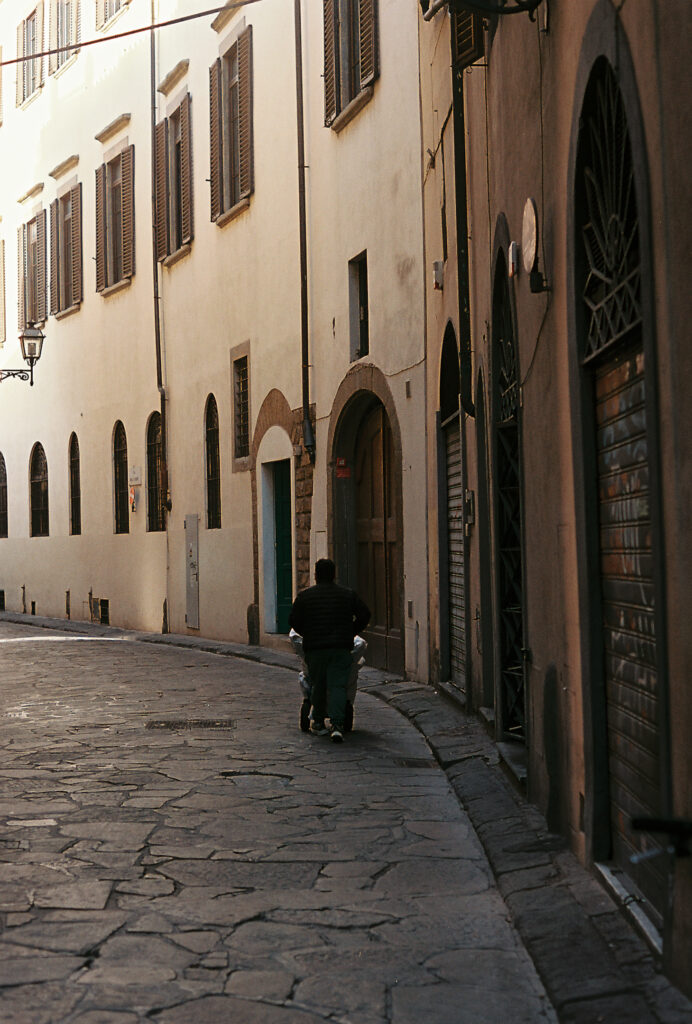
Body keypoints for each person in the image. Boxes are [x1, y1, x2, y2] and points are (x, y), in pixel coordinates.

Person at [289, 558, 370, 742]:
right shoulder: (347, 595)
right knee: (338, 685)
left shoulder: (305, 596)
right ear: (334, 575)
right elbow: (365, 614)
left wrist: (308, 633)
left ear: (316, 575)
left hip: (316, 649)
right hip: (340, 648)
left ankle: (317, 722)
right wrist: (351, 631)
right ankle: (337, 724)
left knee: (318, 684)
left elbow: (293, 621)